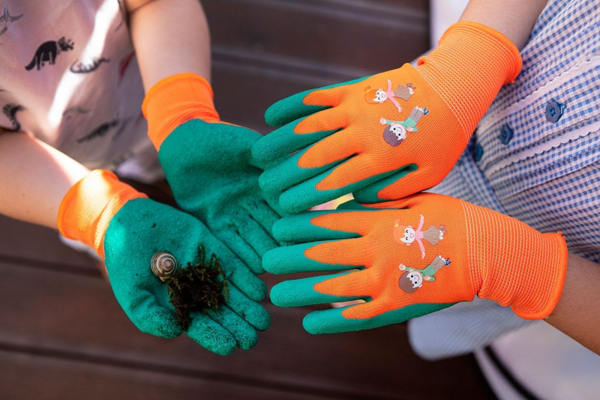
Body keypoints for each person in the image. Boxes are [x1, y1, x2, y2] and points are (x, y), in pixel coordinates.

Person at [256, 0, 600, 369]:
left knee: (374, 279)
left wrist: (517, 268)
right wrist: (470, 58)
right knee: (334, 192)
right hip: (458, 97)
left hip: (516, 248)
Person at [0, 0, 279, 356]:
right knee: (120, 236)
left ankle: (167, 181)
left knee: (177, 169)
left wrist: (180, 112)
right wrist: (99, 216)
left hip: (150, 101)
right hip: (49, 171)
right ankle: (110, 246)